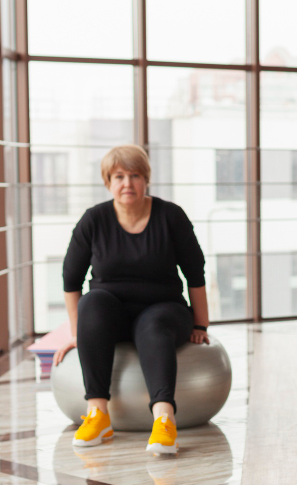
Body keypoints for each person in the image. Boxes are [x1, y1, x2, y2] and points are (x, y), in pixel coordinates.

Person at [52, 145, 210, 456]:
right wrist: (76, 333)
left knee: (154, 325)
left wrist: (201, 323)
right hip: (111, 313)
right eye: (119, 176)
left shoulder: (170, 216)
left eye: (135, 175)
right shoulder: (94, 220)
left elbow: (196, 273)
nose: (127, 183)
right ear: (108, 181)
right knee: (92, 302)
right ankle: (98, 414)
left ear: (146, 179)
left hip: (164, 308)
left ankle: (164, 420)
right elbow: (71, 281)